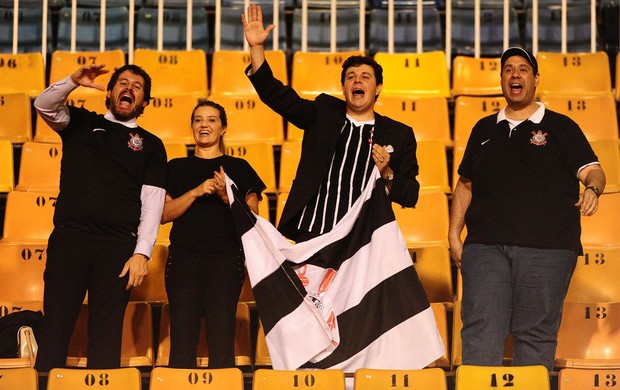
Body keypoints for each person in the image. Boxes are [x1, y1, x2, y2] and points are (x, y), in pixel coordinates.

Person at [448, 47, 606, 371]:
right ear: (502, 79)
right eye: (508, 69)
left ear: (535, 79)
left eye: (523, 69)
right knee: (480, 331)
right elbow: (465, 184)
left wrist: (592, 189)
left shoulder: (561, 127)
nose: (515, 75)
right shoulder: (482, 129)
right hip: (485, 248)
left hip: (546, 248)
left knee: (535, 336)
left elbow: (594, 171)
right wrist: (453, 233)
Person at [241, 4, 420, 242]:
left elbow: (410, 195)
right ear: (344, 88)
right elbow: (275, 95)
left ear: (377, 89)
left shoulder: (399, 134)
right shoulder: (323, 113)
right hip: (313, 232)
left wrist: (386, 172)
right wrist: (256, 48)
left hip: (362, 242)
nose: (357, 80)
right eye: (351, 77)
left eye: (365, 77)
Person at [33, 64, 167, 371]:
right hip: (70, 240)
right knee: (56, 326)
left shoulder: (152, 145)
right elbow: (43, 105)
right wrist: (72, 82)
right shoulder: (80, 122)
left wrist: (142, 252)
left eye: (137, 86)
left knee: (106, 335)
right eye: (122, 82)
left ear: (144, 101)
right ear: (109, 93)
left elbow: (152, 203)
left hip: (118, 247)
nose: (129, 88)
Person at [161, 101, 266, 368]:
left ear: (223, 127)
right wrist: (195, 192)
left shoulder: (239, 167)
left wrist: (225, 195)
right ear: (192, 127)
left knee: (222, 341)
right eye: (198, 120)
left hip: (225, 261)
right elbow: (163, 214)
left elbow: (252, 218)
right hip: (183, 260)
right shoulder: (175, 167)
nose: (204, 125)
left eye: (211, 120)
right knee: (182, 340)